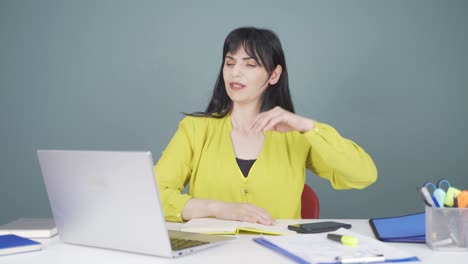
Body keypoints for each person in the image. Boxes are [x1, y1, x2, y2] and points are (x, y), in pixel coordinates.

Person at [154, 27, 377, 225]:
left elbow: (362, 175)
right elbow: (153, 196)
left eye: (250, 64)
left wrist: (308, 127)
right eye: (230, 63)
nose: (235, 72)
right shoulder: (194, 129)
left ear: (274, 75)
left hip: (279, 254)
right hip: (211, 254)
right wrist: (218, 209)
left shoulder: (297, 136)